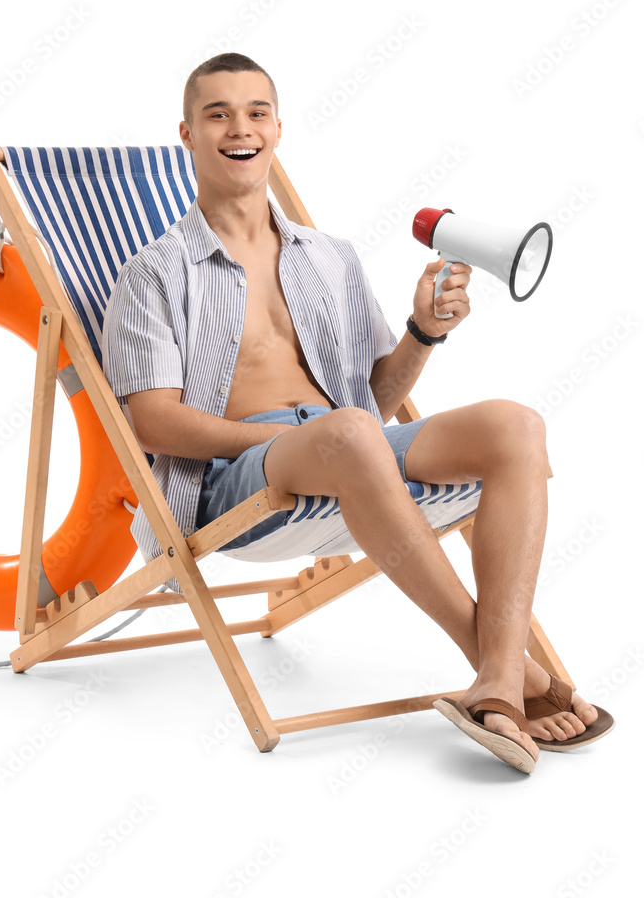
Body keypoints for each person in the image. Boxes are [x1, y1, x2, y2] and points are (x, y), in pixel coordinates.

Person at [102, 52, 612, 772]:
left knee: (516, 425)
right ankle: (504, 670)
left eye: (255, 112)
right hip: (238, 479)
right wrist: (318, 434)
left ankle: (497, 681)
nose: (239, 128)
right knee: (347, 431)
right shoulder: (154, 271)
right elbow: (153, 422)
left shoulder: (329, 256)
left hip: (354, 449)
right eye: (217, 114)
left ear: (278, 129)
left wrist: (423, 331)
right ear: (185, 134)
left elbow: (370, 393)